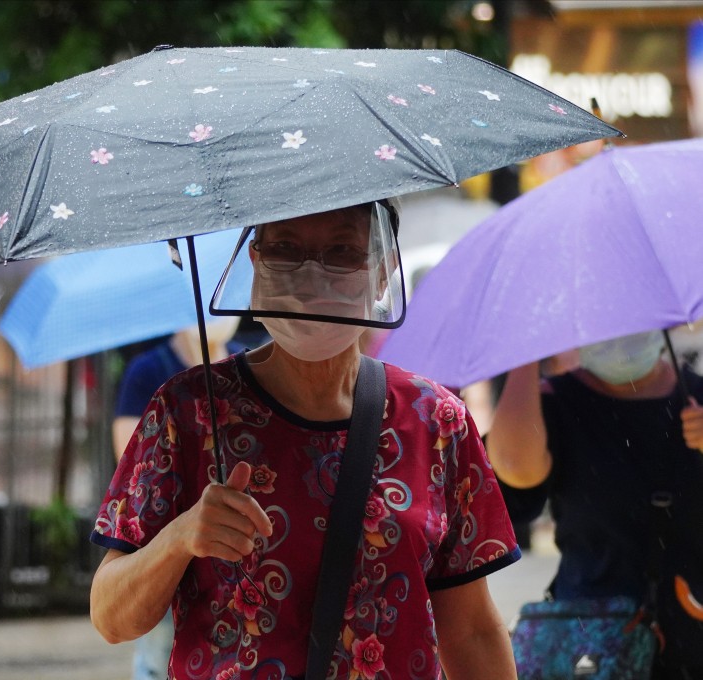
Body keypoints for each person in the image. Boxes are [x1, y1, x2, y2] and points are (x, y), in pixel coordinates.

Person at [89, 204, 520, 680]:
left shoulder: (435, 422)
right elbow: (111, 618)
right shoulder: (186, 412)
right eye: (285, 248)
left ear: (383, 272)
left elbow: (470, 631)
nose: (312, 274)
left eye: (342, 250)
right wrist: (180, 537)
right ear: (255, 261)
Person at [486, 331, 703, 679]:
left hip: (692, 641)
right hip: (593, 648)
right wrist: (526, 354)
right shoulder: (558, 401)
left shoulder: (696, 398)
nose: (621, 335)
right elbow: (516, 471)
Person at [113, 320, 241, 680]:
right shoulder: (149, 371)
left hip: (231, 550)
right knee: (159, 658)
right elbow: (130, 464)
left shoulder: (247, 368)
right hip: (166, 544)